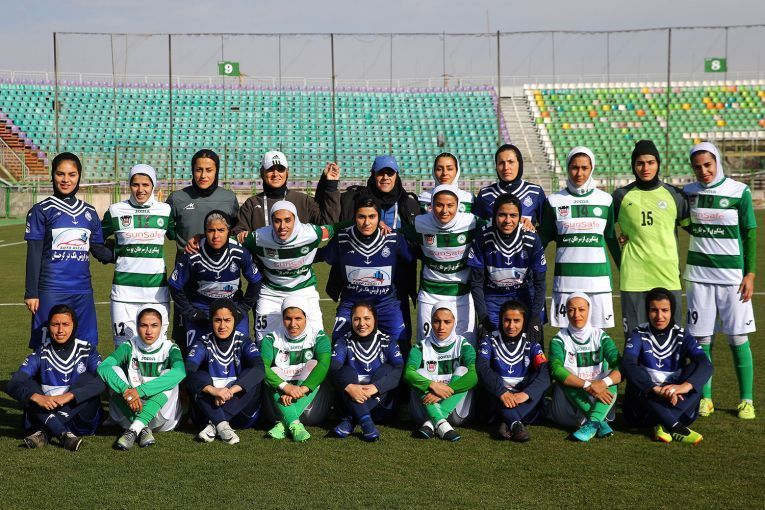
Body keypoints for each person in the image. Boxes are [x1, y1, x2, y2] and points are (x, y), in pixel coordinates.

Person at [682, 141, 757, 420]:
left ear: (717, 162)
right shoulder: (688, 193)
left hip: (732, 278)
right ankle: (706, 398)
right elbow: (675, 220)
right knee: (702, 340)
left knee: (738, 338)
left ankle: (746, 400)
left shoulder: (739, 191)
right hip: (698, 277)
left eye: (708, 165)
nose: (703, 171)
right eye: (697, 167)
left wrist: (750, 274)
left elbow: (749, 233)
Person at [24, 152, 111, 348]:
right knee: (46, 348)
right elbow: (34, 254)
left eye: (72, 174)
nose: (66, 180)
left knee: (86, 346)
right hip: (51, 289)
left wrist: (125, 251)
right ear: (52, 175)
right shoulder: (41, 210)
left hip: (82, 290)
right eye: (60, 174)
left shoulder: (89, 212)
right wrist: (31, 292)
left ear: (79, 176)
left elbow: (98, 250)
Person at [334, 155, 420, 346]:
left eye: (390, 173)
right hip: (358, 285)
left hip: (396, 286)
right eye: (381, 173)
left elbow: (416, 243)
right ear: (373, 175)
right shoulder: (354, 200)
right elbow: (336, 222)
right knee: (351, 342)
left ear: (397, 175)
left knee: (399, 342)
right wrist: (371, 223)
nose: (385, 178)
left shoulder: (409, 203)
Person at [320, 195, 414, 353]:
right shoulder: (342, 238)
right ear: (354, 217)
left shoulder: (393, 239)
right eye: (361, 217)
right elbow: (323, 256)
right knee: (337, 343)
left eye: (372, 217)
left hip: (386, 304)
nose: (367, 222)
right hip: (351, 304)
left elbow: (413, 257)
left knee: (402, 345)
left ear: (379, 218)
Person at [540, 146, 621, 329]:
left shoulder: (605, 200)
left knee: (598, 336)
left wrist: (623, 268)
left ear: (592, 168)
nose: (579, 173)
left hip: (598, 282)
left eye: (585, 168)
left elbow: (610, 237)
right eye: (574, 167)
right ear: (568, 168)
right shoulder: (554, 201)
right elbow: (543, 239)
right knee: (566, 335)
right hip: (566, 282)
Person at [612, 140, 688, 335]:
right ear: (633, 166)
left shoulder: (675, 195)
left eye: (650, 162)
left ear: (658, 164)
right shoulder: (621, 196)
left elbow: (695, 229)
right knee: (635, 341)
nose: (645, 168)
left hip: (667, 276)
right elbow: (603, 229)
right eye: (640, 163)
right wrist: (620, 245)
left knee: (671, 340)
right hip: (634, 278)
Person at [165, 149, 240, 346]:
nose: (203, 175)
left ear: (217, 172)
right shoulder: (177, 198)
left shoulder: (229, 198)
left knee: (223, 334)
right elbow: (169, 231)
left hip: (220, 279)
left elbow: (234, 231)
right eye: (199, 170)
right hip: (187, 279)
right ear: (192, 171)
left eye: (209, 170)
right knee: (184, 338)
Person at [6, 304, 104, 451]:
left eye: (65, 324)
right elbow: (13, 383)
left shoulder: (87, 350)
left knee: (88, 379)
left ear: (74, 326)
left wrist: (70, 396)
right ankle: (62, 434)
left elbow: (103, 381)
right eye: (55, 324)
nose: (60, 330)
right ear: (49, 327)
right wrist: (36, 397)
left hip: (78, 421)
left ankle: (45, 432)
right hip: (46, 412)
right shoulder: (41, 352)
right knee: (28, 383)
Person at [621, 288, 713, 444]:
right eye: (654, 310)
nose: (659, 316)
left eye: (665, 310)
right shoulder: (639, 333)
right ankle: (674, 426)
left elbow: (706, 365)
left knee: (695, 370)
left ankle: (663, 423)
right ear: (647, 311)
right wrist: (654, 388)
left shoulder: (682, 335)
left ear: (672, 311)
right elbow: (628, 363)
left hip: (677, 403)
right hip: (641, 412)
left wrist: (684, 386)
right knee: (636, 372)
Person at [243, 200, 339, 342]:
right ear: (271, 221)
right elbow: (225, 240)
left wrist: (368, 224)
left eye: (287, 220)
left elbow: (335, 228)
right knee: (263, 341)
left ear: (296, 219)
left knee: (317, 339)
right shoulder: (258, 237)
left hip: (304, 290)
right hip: (271, 294)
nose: (282, 226)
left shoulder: (311, 233)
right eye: (277, 221)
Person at [401, 184, 486, 343]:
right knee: (427, 345)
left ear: (458, 206)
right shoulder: (419, 223)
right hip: (430, 294)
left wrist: (523, 223)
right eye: (439, 205)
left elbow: (496, 227)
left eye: (450, 205)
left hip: (462, 295)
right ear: (432, 205)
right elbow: (396, 237)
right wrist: (382, 227)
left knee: (465, 346)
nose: (444, 210)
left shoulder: (471, 222)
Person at [102, 164, 176, 346]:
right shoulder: (115, 210)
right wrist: (110, 254)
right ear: (129, 185)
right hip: (123, 293)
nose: (140, 189)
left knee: (156, 347)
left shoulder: (165, 211)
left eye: (145, 184)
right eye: (135, 184)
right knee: (123, 347)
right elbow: (95, 238)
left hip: (156, 293)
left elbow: (178, 236)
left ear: (153, 185)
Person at [169, 210, 261, 354]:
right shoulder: (193, 252)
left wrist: (242, 308)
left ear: (228, 231)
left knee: (240, 355)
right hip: (201, 311)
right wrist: (190, 312)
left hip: (232, 310)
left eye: (221, 230)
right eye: (211, 230)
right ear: (205, 232)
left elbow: (256, 281)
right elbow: (175, 285)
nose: (216, 235)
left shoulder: (239, 252)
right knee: (197, 357)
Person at [97, 305, 186, 450]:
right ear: (137, 326)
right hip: (130, 411)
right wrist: (126, 390)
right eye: (144, 325)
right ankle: (141, 427)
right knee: (114, 373)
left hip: (161, 419)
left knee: (170, 376)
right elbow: (103, 367)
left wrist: (138, 391)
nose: (149, 331)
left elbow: (180, 372)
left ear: (162, 326)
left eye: (154, 325)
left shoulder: (170, 348)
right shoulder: (129, 346)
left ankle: (135, 429)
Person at [468, 193, 546, 344]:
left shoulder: (531, 238)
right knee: (490, 345)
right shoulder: (482, 237)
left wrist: (535, 317)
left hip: (523, 295)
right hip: (493, 296)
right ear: (494, 215)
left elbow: (540, 283)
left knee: (531, 344)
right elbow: (476, 282)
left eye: (513, 215)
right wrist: (483, 316)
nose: (508, 220)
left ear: (520, 216)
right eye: (502, 215)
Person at [185, 299, 265, 445]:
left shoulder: (244, 341)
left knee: (252, 377)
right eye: (218, 320)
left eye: (227, 320)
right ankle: (221, 425)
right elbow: (188, 371)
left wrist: (230, 391)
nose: (222, 326)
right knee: (199, 375)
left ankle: (214, 425)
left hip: (241, 415)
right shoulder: (203, 342)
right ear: (211, 321)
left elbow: (259, 368)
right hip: (207, 411)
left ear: (235, 321)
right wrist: (213, 390)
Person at [548, 293, 622, 442]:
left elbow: (620, 365)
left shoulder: (600, 336)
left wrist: (603, 383)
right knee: (565, 377)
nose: (576, 315)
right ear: (566, 312)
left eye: (581, 309)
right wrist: (588, 385)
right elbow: (556, 370)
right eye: (571, 310)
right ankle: (600, 422)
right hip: (569, 405)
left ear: (589, 310)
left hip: (601, 399)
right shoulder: (559, 339)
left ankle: (593, 423)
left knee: (613, 377)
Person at [260, 297, 332, 442]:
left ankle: (284, 424)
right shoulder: (271, 338)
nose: (293, 324)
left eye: (298, 318)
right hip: (279, 403)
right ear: (282, 318)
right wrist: (286, 387)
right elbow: (262, 367)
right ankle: (294, 424)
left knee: (314, 364)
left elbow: (324, 366)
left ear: (306, 317)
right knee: (273, 370)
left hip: (310, 409)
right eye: (288, 318)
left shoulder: (319, 337)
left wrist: (300, 390)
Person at [329, 302, 404, 441]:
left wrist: (376, 387)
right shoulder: (343, 341)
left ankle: (352, 421)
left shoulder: (388, 341)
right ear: (351, 320)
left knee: (387, 369)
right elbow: (333, 369)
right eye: (356, 319)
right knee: (346, 371)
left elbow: (399, 370)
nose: (361, 323)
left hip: (381, 409)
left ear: (375, 319)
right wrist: (349, 387)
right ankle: (366, 423)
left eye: (367, 318)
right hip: (347, 405)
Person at [476, 300, 550, 442]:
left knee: (540, 374)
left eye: (516, 321)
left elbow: (545, 373)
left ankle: (508, 420)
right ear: (501, 320)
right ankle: (516, 424)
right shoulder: (489, 340)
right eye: (507, 320)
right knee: (491, 378)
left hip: (522, 400)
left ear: (524, 322)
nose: (511, 326)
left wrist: (526, 394)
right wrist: (501, 392)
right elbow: (481, 367)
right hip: (496, 401)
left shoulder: (531, 343)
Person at [404, 302, 477, 441]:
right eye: (437, 321)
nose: (441, 327)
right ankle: (442, 425)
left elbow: (473, 377)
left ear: (455, 322)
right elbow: (408, 374)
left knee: (463, 370)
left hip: (456, 414)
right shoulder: (420, 347)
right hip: (423, 413)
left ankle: (433, 423)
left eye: (447, 322)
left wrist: (446, 391)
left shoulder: (464, 346)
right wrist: (433, 386)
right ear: (431, 321)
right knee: (419, 372)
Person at [233, 150, 340, 234]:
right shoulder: (251, 204)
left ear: (287, 172)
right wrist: (241, 235)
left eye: (280, 169)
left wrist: (331, 184)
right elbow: (239, 233)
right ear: (262, 173)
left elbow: (328, 225)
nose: (275, 174)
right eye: (270, 169)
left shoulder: (304, 201)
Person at [474, 144, 546, 229]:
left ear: (520, 164)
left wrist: (533, 232)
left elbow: (546, 230)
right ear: (496, 166)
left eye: (511, 162)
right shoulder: (485, 194)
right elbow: (477, 229)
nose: (506, 167)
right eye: (501, 163)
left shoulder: (535, 192)